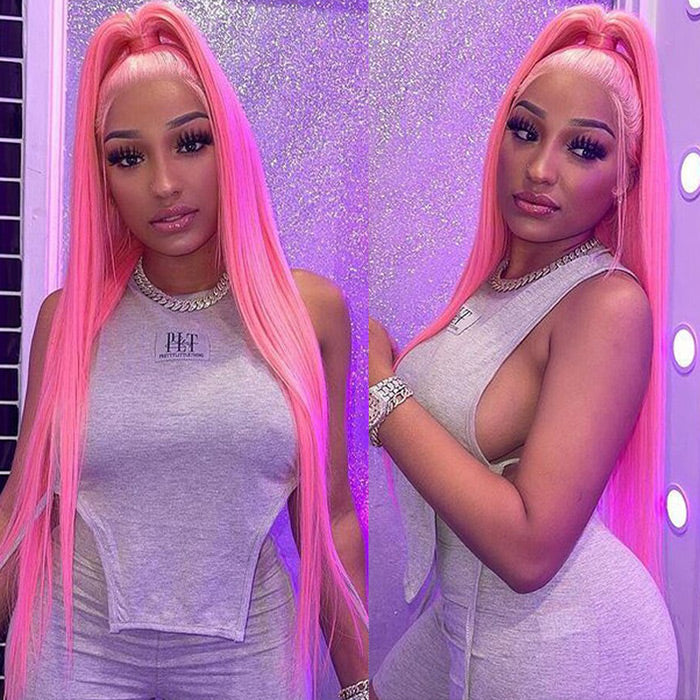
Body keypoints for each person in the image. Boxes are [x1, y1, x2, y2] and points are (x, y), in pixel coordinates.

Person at [0, 2, 368, 699]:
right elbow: (22, 510)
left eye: (190, 142)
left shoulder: (309, 314)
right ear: (102, 177)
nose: (164, 184)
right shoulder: (70, 320)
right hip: (76, 649)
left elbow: (330, 518)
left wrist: (360, 686)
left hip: (249, 652)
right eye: (128, 157)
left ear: (229, 145)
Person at [369, 5, 678, 699]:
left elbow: (529, 549)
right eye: (526, 130)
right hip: (465, 616)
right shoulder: (497, 287)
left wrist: (385, 394)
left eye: (584, 148)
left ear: (625, 177)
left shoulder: (608, 303)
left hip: (567, 644)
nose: (540, 168)